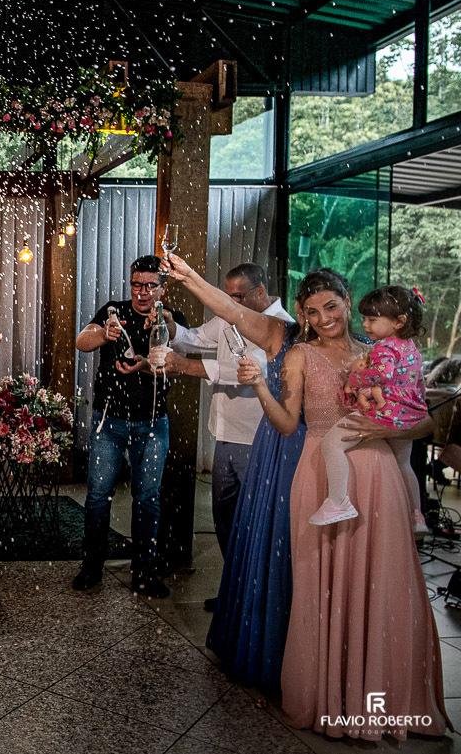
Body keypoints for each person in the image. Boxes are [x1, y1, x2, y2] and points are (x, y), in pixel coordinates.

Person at [232, 268, 449, 739]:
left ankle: (378, 701)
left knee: (381, 584)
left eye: (331, 306)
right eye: (312, 311)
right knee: (321, 585)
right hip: (322, 476)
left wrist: (390, 429)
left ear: (348, 303)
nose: (323, 317)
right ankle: (329, 695)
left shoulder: (382, 353)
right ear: (304, 317)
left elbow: (424, 424)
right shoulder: (300, 355)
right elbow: (289, 424)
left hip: (381, 481)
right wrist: (260, 386)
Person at [166, 251, 305, 691]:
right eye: (228, 297)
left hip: (260, 439)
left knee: (257, 526)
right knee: (226, 520)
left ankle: (257, 599)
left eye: (238, 296)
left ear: (261, 292)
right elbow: (193, 337)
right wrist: (168, 326)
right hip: (224, 434)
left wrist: (186, 367)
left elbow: (247, 373)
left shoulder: (282, 330)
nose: (231, 303)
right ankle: (236, 592)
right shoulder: (231, 317)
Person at [73, 254, 186, 599]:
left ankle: (145, 572)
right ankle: (92, 566)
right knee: (97, 496)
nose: (141, 292)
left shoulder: (170, 320)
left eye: (150, 286)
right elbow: (82, 341)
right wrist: (105, 334)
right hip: (109, 422)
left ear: (163, 288)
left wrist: (144, 364)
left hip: (152, 423)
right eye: (136, 284)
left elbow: (175, 364)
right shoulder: (113, 311)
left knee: (148, 500)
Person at [315, 285, 428, 536]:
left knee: (332, 444)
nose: (365, 325)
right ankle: (416, 515)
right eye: (364, 318)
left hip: (385, 411)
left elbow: (382, 375)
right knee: (404, 463)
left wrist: (355, 379)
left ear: (399, 321)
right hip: (409, 414)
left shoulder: (384, 347)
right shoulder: (410, 347)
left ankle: (337, 500)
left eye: (372, 319)